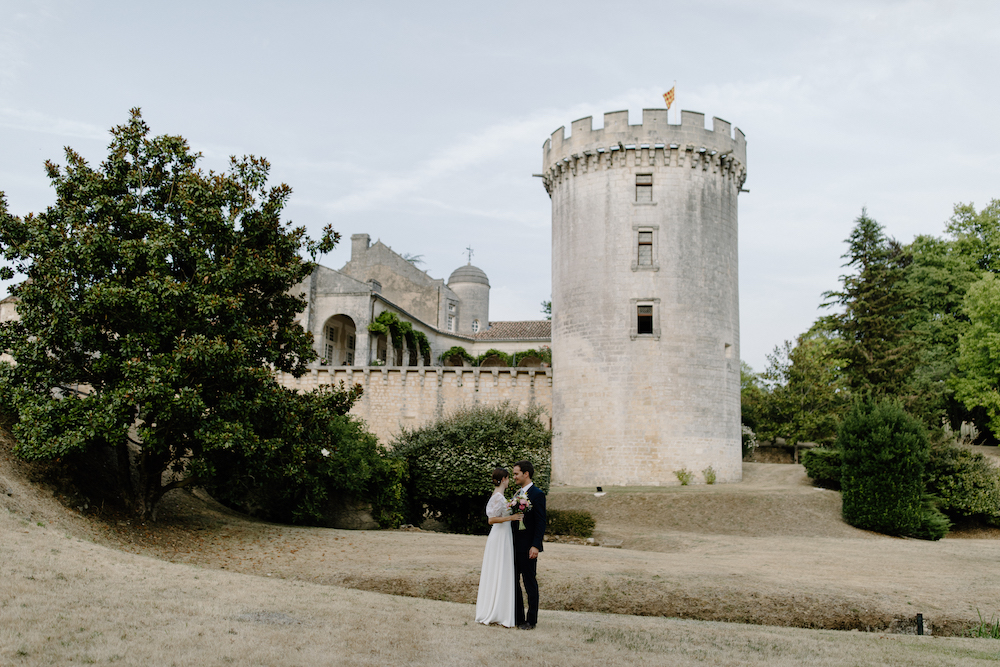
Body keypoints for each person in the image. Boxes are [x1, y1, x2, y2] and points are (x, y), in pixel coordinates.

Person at [474, 467, 523, 627]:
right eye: (508, 478)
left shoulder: (501, 497)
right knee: (498, 569)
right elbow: (491, 520)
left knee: (503, 571)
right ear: (503, 479)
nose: (509, 481)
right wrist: (512, 517)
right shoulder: (497, 497)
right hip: (499, 536)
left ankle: (501, 611)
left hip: (505, 535)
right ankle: (493, 611)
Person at [511, 460, 546, 630]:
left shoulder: (538, 494)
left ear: (526, 474)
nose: (514, 477)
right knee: (514, 582)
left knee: (529, 582)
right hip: (515, 545)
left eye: (516, 473)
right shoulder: (517, 494)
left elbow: (541, 522)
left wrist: (536, 546)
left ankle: (531, 620)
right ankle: (518, 617)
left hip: (529, 547)